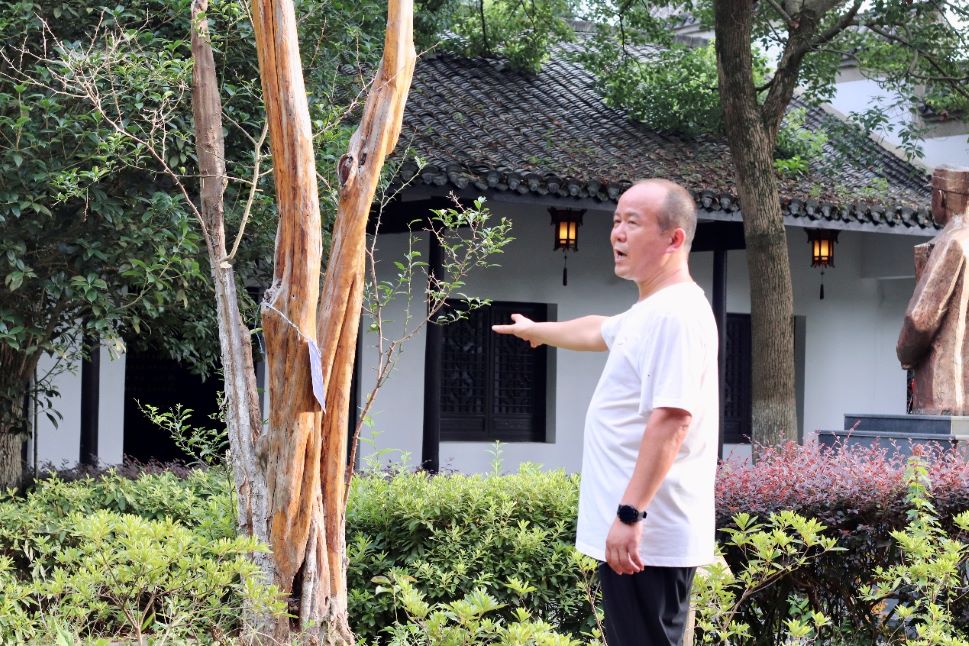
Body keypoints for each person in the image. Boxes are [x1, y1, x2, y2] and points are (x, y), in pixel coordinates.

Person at [493, 179, 718, 645]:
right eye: (616, 221)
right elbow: (599, 330)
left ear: (674, 238)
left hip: (647, 537)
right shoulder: (651, 310)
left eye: (633, 223)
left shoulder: (676, 315)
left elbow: (672, 420)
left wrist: (631, 515)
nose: (617, 233)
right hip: (639, 535)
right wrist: (537, 329)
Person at [897, 166, 969, 415]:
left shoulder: (952, 242)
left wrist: (905, 352)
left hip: (944, 389)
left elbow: (920, 319)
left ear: (941, 197)